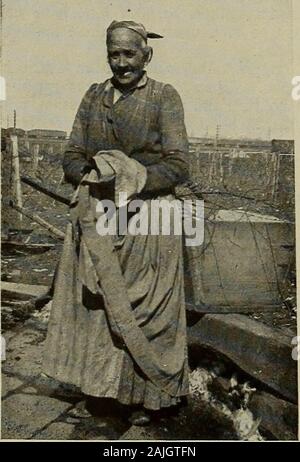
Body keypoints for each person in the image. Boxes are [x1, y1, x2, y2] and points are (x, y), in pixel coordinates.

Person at [43, 20, 191, 426]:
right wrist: (90, 173)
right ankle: (105, 394)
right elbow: (71, 152)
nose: (121, 62)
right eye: (114, 53)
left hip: (148, 218)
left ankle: (152, 397)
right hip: (99, 218)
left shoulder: (164, 97)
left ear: (147, 55)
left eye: (129, 54)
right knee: (98, 311)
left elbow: (178, 165)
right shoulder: (94, 96)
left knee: (148, 312)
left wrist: (132, 176)